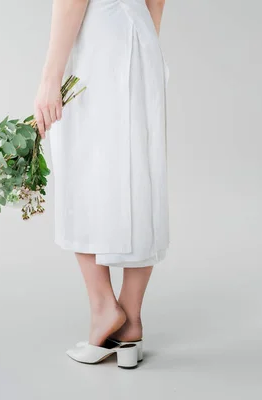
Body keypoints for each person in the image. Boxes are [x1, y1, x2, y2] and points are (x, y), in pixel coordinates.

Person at [34, 0, 169, 368]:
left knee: (83, 164)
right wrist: (144, 43)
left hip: (100, 36)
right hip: (140, 34)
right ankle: (131, 322)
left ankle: (103, 309)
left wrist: (51, 75)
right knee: (139, 167)